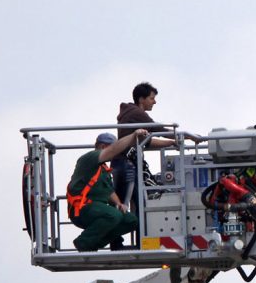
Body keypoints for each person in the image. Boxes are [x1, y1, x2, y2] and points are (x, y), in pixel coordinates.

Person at [114, 82, 200, 211]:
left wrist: (170, 143)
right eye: (151, 98)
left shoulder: (130, 114)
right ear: (141, 99)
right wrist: (187, 136)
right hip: (127, 165)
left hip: (123, 163)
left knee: (134, 203)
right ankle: (140, 229)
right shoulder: (137, 113)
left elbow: (146, 142)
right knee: (141, 202)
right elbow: (158, 129)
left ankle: (138, 229)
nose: (154, 102)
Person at [67, 129, 149, 252]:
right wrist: (133, 135)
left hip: (97, 209)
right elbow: (112, 151)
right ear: (103, 146)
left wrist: (119, 204)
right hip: (82, 209)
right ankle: (83, 242)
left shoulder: (103, 169)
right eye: (114, 148)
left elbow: (109, 191)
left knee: (131, 220)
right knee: (113, 215)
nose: (117, 153)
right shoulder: (90, 158)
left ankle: (94, 243)